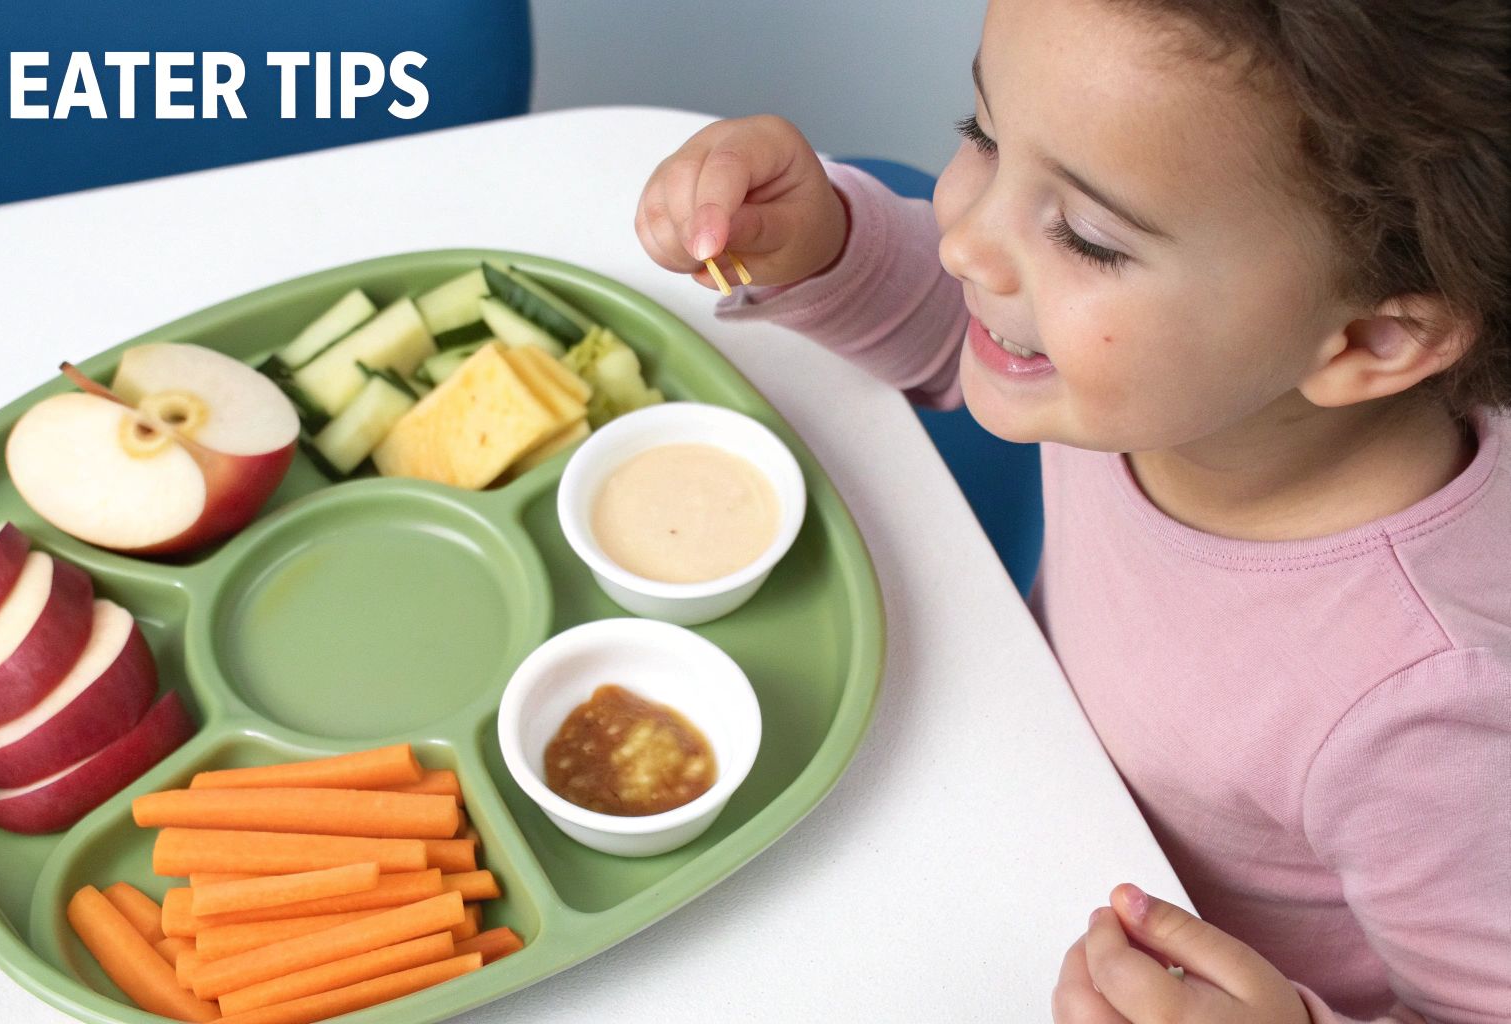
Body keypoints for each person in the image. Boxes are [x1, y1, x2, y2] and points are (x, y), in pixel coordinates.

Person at [633, 1, 1510, 1021]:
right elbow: (964, 333)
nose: (967, 247)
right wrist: (821, 244)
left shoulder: (1428, 713)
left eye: (1087, 239)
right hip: (1013, 787)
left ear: (1370, 341)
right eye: (982, 136)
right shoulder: (1176, 385)